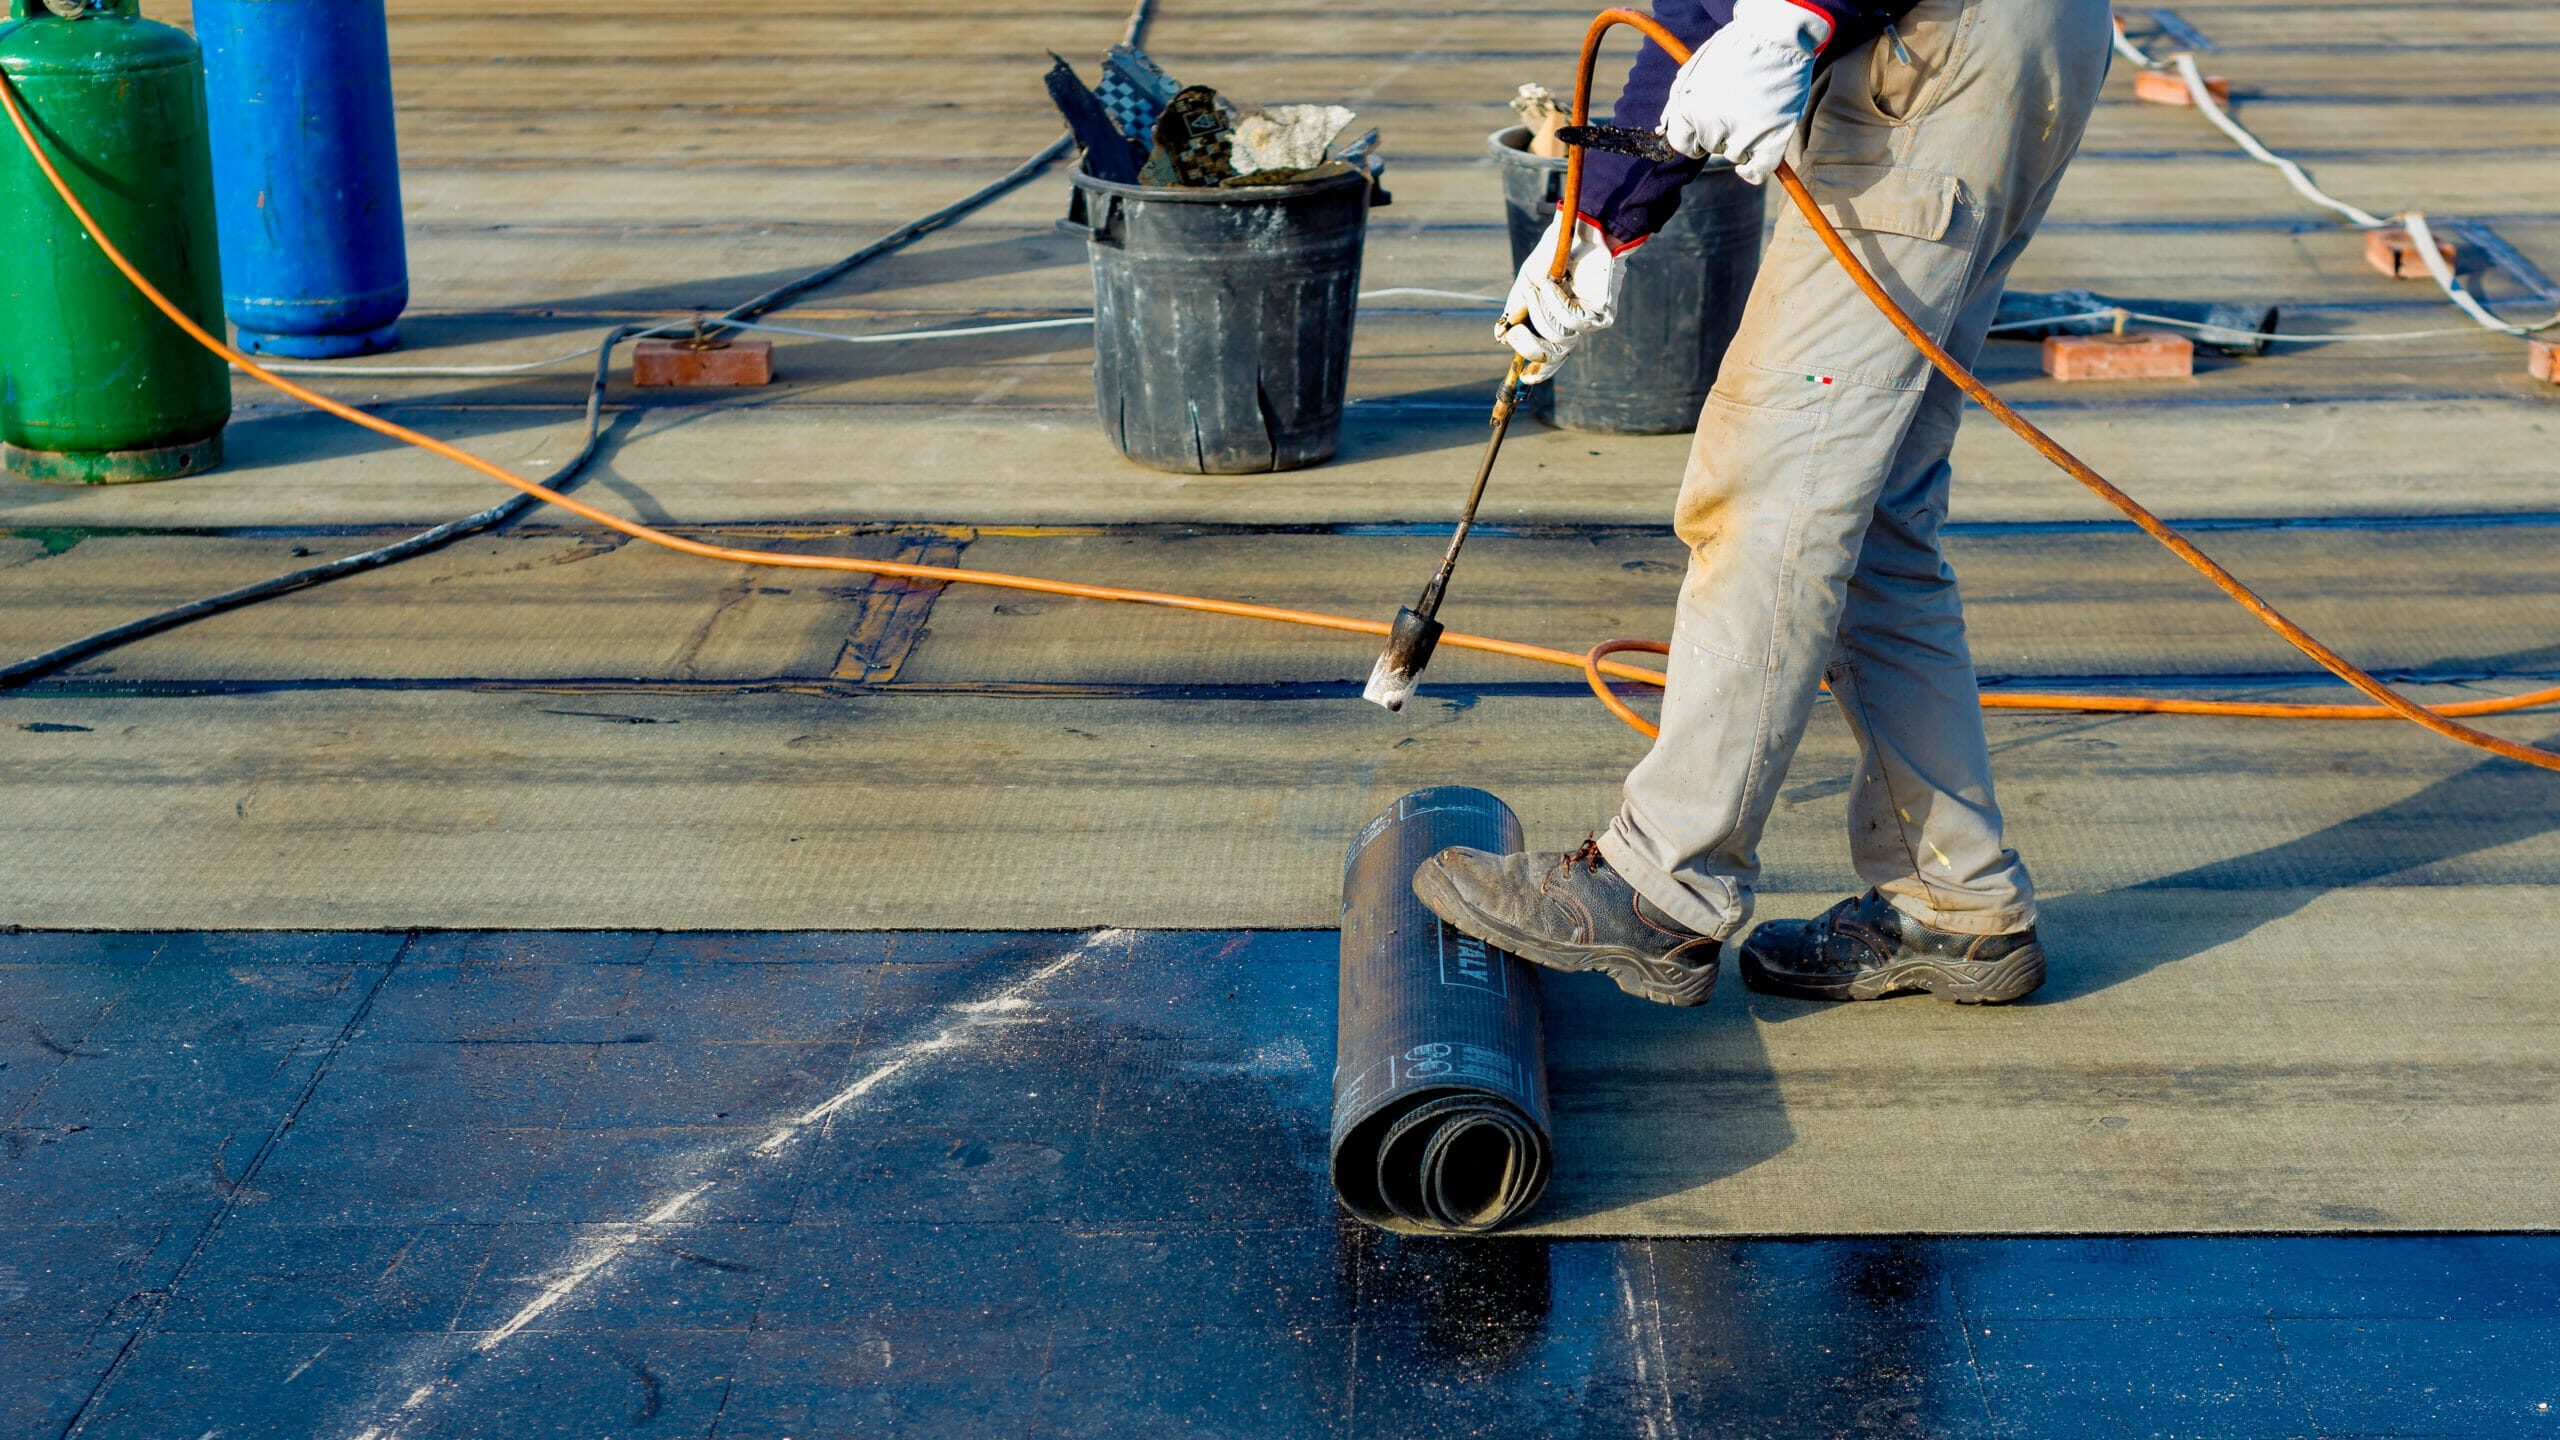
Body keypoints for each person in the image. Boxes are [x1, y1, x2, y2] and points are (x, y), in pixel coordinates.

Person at [1413, 0, 2112, 1007]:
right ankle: (1953, 899)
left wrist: (1800, 11)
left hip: (1941, 44)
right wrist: (1604, 216)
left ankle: (1661, 886)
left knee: (1769, 484)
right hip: (2015, 38)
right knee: (1868, 509)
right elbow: (1695, 12)